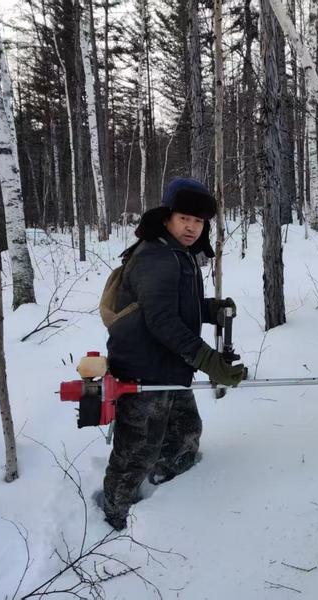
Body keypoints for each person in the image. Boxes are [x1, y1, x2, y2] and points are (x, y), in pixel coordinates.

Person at [102, 177, 245, 530]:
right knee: (138, 450)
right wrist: (209, 361)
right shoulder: (157, 256)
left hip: (169, 365)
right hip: (145, 370)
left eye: (199, 221)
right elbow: (162, 320)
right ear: (167, 216)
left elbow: (175, 305)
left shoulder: (177, 253)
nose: (192, 227)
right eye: (184, 218)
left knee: (184, 431)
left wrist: (209, 309)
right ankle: (115, 515)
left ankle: (172, 485)